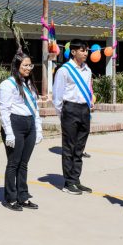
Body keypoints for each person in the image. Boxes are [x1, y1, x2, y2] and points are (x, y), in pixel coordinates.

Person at [0, 53, 43, 211]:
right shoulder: (7, 84)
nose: (28, 68)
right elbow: (4, 110)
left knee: (24, 164)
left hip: (29, 124)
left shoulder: (29, 84)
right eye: (25, 65)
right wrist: (8, 132)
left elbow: (35, 108)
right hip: (15, 124)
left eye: (30, 65)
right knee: (14, 163)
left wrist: (38, 128)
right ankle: (10, 198)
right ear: (16, 66)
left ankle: (22, 196)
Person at [52, 39, 94, 195]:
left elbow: (88, 90)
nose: (85, 53)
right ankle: (68, 182)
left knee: (80, 148)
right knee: (69, 147)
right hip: (69, 109)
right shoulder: (64, 70)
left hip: (84, 110)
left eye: (87, 50)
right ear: (74, 52)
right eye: (82, 50)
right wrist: (62, 115)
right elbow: (57, 96)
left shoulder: (87, 70)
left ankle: (76, 179)